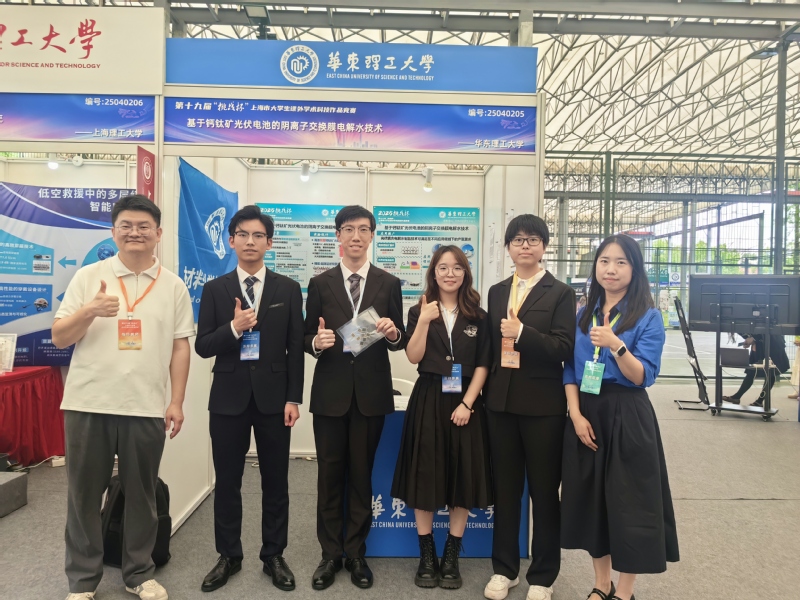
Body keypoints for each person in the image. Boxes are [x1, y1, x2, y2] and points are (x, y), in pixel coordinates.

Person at [53, 195, 194, 600]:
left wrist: (176, 401)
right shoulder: (88, 277)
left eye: (143, 226)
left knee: (142, 496)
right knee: (83, 497)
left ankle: (138, 573)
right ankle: (82, 581)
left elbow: (180, 346)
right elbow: (60, 337)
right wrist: (90, 310)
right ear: (113, 232)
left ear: (158, 233)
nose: (135, 233)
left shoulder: (173, 285)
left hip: (145, 406)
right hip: (87, 404)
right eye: (126, 226)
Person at [561, 234, 679, 600]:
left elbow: (643, 376)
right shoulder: (583, 314)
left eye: (620, 262)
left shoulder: (648, 316)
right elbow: (569, 369)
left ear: (634, 269)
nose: (610, 269)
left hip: (628, 413)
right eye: (604, 261)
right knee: (591, 500)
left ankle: (625, 591)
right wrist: (575, 415)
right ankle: (601, 583)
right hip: (586, 411)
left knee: (631, 504)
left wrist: (616, 345)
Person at [195, 205, 303, 593]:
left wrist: (294, 399)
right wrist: (234, 328)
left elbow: (295, 348)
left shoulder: (288, 289)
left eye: (258, 235)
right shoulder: (215, 289)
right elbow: (203, 346)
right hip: (228, 399)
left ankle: (274, 554)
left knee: (276, 481)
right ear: (231, 241)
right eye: (243, 235)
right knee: (228, 482)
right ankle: (229, 555)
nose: (250, 242)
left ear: (269, 243)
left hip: (275, 400)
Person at [304, 205, 406, 590]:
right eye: (349, 229)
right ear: (338, 236)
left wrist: (393, 334)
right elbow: (304, 335)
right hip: (330, 395)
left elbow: (399, 338)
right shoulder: (320, 283)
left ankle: (356, 553)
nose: (356, 236)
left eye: (364, 229)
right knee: (329, 476)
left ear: (372, 236)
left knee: (362, 476)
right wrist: (316, 342)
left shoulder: (388, 282)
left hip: (370, 396)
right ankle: (330, 554)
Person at [482, 215, 576, 600]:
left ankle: (543, 576)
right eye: (518, 240)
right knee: (505, 491)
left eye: (533, 239)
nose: (525, 246)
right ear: (508, 247)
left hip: (543, 407)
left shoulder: (561, 293)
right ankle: (504, 570)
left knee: (543, 493)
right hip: (501, 405)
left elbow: (563, 347)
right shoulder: (496, 292)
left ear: (544, 247)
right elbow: (491, 348)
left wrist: (522, 332)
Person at [391, 246, 492, 590]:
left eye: (457, 268)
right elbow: (413, 355)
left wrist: (467, 403)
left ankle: (451, 555)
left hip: (465, 401)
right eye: (443, 268)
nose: (450, 274)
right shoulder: (418, 310)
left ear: (465, 273)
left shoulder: (478, 315)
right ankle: (427, 554)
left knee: (462, 476)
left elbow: (483, 365)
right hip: (429, 397)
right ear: (433, 273)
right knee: (425, 474)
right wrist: (422, 321)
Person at [722, 333, 790, 407]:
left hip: (772, 344)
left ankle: (759, 401)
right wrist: (750, 340)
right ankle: (737, 397)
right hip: (759, 345)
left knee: (770, 372)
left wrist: (753, 338)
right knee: (751, 371)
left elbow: (765, 329)